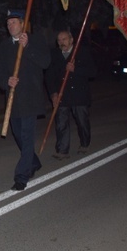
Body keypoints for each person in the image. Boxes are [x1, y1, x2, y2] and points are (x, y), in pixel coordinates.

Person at [0, 9, 50, 191]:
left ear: (23, 24)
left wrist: (28, 47)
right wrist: (6, 81)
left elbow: (45, 63)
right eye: (8, 23)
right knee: (18, 135)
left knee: (26, 137)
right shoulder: (2, 47)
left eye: (14, 23)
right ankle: (33, 161)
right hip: (13, 99)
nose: (10, 26)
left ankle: (21, 175)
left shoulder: (36, 40)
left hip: (31, 98)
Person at [45, 29, 97, 159]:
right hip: (62, 94)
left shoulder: (81, 52)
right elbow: (49, 76)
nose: (61, 42)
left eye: (64, 39)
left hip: (79, 94)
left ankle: (85, 143)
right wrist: (53, 94)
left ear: (71, 39)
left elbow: (92, 72)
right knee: (61, 123)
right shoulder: (54, 54)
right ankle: (62, 150)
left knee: (82, 121)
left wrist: (75, 69)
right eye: (59, 40)